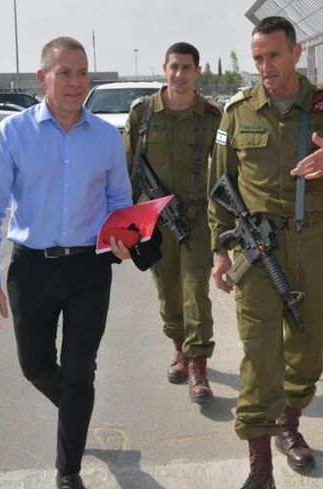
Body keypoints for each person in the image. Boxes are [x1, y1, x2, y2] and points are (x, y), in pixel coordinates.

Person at [208, 16, 323, 489]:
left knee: (306, 351)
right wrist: (220, 251)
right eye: (258, 58)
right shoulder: (238, 112)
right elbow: (219, 187)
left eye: (273, 55)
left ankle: (289, 423)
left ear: (296, 53)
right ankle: (259, 461)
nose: (265, 66)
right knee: (260, 355)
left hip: (312, 243)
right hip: (255, 248)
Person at [0, 36, 133, 489]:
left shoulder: (105, 137)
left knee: (80, 370)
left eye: (82, 73)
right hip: (32, 269)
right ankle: (76, 416)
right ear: (43, 78)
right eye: (65, 73)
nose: (75, 83)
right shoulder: (12, 134)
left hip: (89, 270)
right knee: (36, 366)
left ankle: (68, 471)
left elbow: (119, 201)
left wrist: (124, 235)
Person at [123, 42, 221, 403]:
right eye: (174, 67)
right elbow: (127, 169)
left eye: (187, 68)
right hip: (154, 219)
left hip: (196, 217)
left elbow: (226, 169)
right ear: (164, 69)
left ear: (197, 71)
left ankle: (198, 365)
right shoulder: (144, 114)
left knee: (196, 291)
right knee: (168, 293)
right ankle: (179, 348)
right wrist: (128, 224)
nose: (179, 75)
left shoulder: (212, 117)